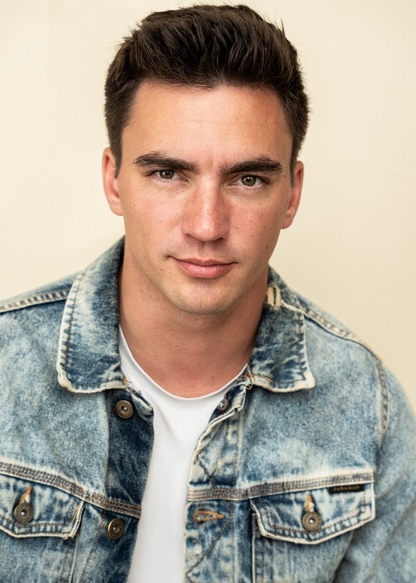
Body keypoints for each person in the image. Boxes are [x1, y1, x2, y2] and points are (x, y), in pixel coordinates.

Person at [0, 4, 415, 582]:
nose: (206, 225)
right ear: (113, 179)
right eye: (168, 173)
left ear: (291, 194)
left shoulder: (368, 408)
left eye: (248, 179)